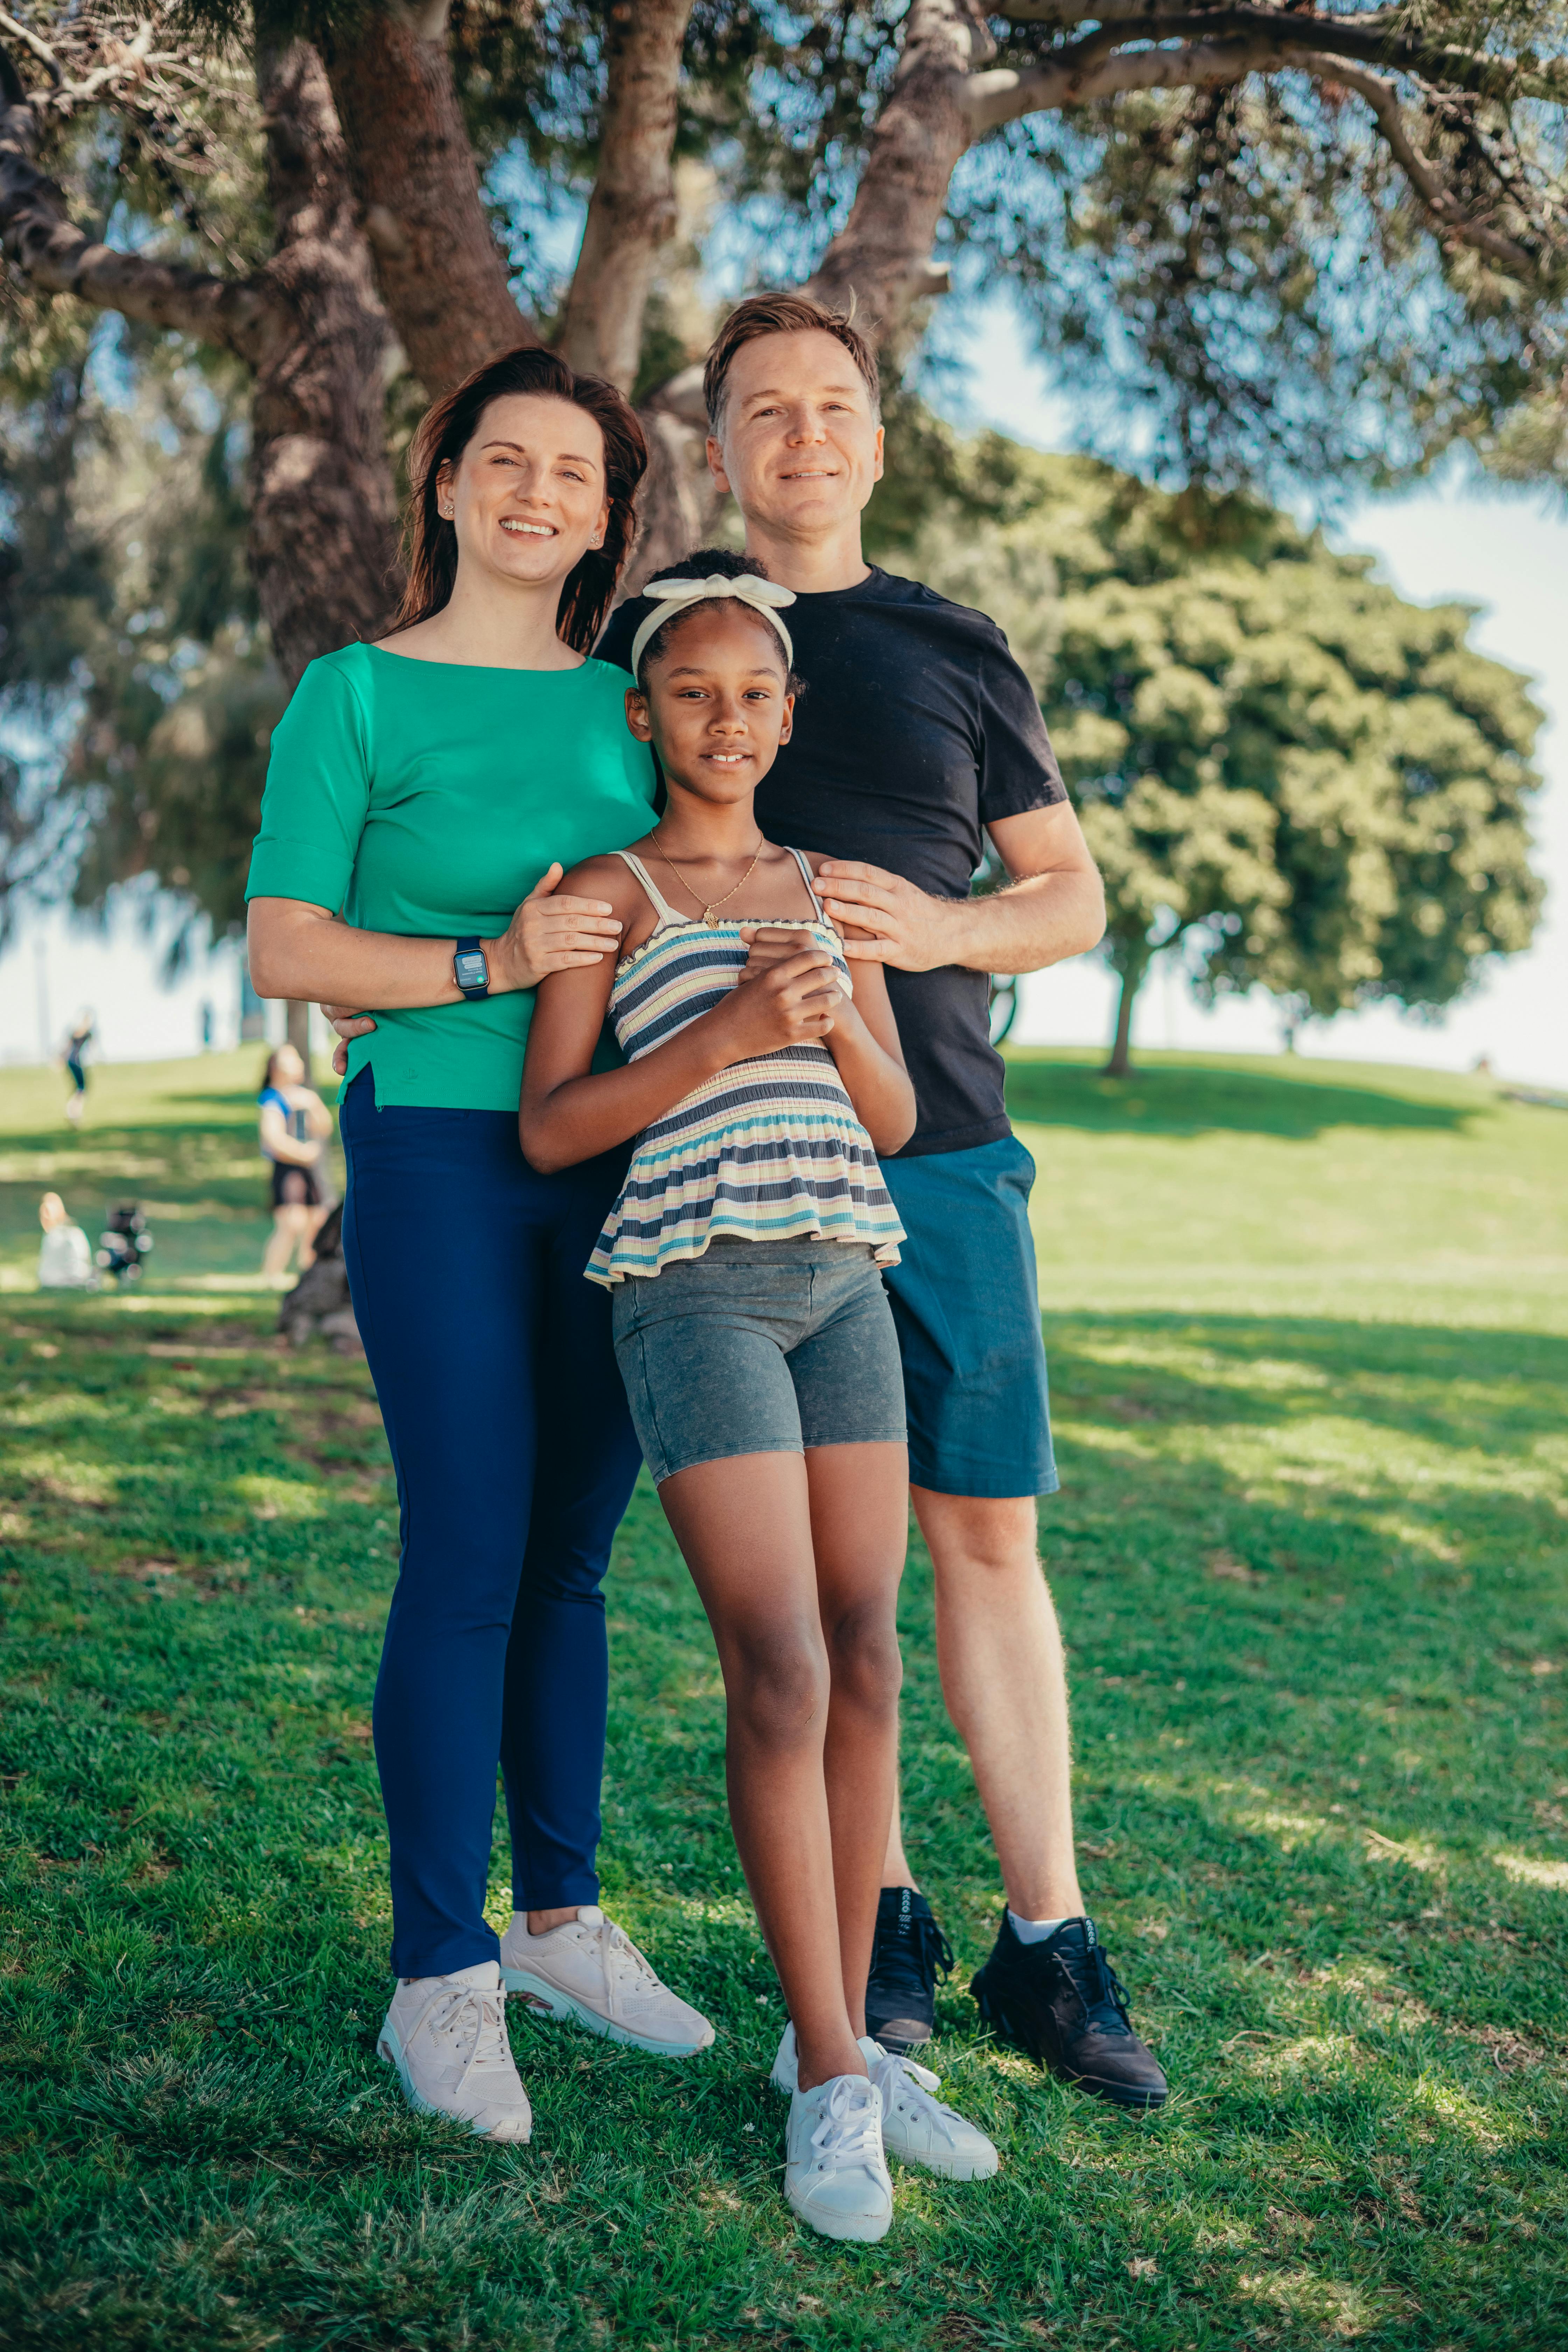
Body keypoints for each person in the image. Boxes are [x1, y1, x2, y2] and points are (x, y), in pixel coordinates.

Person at [599, 294, 1167, 2110]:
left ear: (877, 436)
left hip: (946, 1155)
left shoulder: (953, 648)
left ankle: (1048, 1940)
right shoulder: (665, 638)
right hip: (736, 1183)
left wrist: (940, 928)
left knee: (982, 1539)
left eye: (832, 406)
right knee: (837, 1583)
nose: (803, 436)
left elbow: (1069, 896)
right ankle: (887, 1914)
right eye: (764, 411)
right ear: (723, 446)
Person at [244, 345, 713, 2147]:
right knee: (465, 1546)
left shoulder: (628, 708)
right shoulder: (352, 694)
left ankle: (559, 1927)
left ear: (609, 520)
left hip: (621, 1163)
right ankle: (434, 1977)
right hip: (439, 1140)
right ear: (441, 482)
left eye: (572, 475)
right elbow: (290, 946)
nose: (534, 492)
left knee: (574, 1558)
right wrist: (484, 968)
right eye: (500, 459)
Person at [521, 554, 998, 2241]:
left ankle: (849, 2042)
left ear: (791, 717)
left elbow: (882, 1113)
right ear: (645, 715)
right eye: (694, 694)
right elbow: (556, 1126)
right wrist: (720, 1035)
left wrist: (824, 1017)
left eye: (755, 694)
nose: (727, 719)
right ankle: (827, 2066)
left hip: (841, 1274)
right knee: (781, 1661)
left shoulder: (825, 888)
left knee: (870, 1648)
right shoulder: (607, 891)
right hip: (690, 1288)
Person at [257, 1042, 334, 1276]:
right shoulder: (273, 1100)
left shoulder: (304, 1097)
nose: (297, 1064)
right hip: (288, 1168)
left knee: (316, 1220)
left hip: (307, 1168)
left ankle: (307, 1272)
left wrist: (313, 1105)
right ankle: (272, 1273)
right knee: (292, 1222)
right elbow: (273, 1138)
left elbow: (325, 1127)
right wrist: (302, 1154)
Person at [37, 1192, 97, 1290]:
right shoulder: (49, 1236)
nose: (45, 1218)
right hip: (51, 1284)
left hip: (68, 1282)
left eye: (48, 1213)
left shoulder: (72, 1234)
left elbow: (80, 1265)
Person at [61, 1011, 94, 1125]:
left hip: (72, 1062)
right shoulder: (83, 1033)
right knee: (81, 1089)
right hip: (75, 1062)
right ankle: (73, 1114)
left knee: (79, 1089)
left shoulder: (77, 1033)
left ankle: (74, 1114)